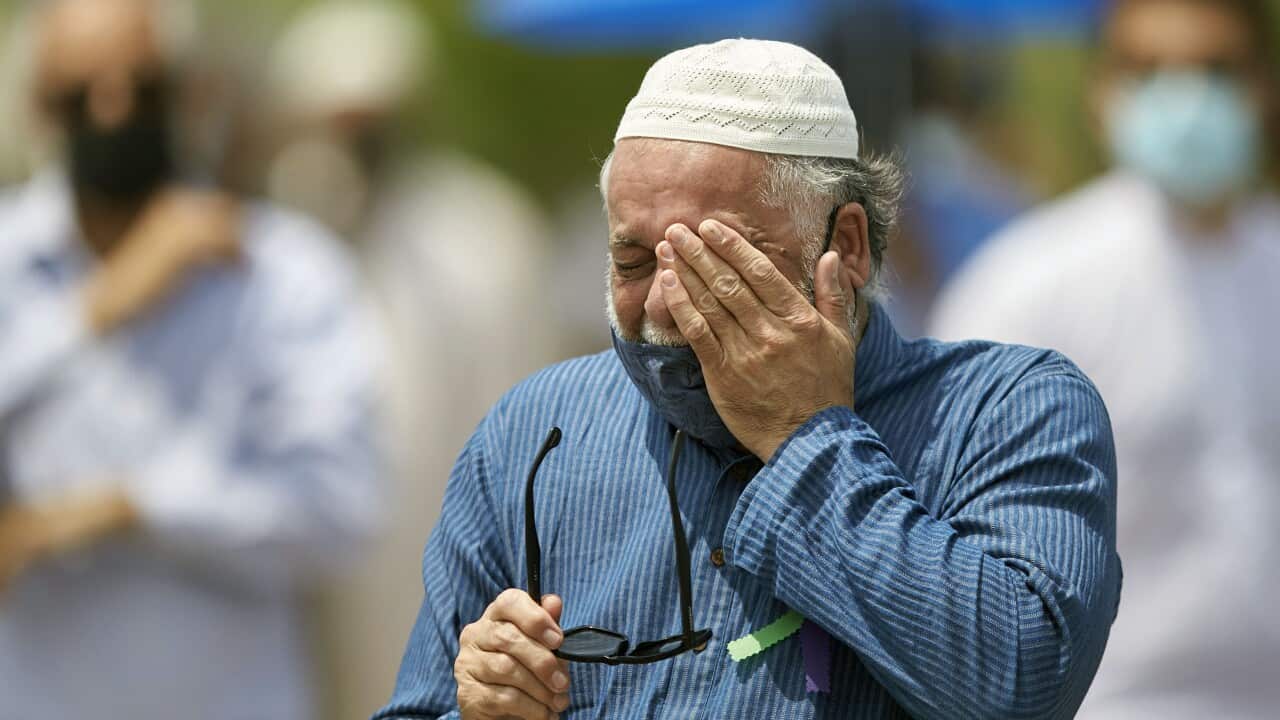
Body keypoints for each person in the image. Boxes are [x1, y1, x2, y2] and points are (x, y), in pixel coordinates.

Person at [375, 39, 1121, 719]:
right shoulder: (537, 432)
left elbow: (1022, 689)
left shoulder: (1009, 410)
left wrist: (806, 439)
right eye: (634, 263)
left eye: (718, 261)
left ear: (848, 245)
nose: (668, 303)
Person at [0, 1, 382, 718]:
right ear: (38, 108)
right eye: (80, 97)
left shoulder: (281, 273)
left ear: (188, 91)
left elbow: (339, 512)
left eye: (140, 90)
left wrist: (132, 508)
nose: (113, 117)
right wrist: (90, 314)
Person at [929, 0, 1280, 717]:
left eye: (1214, 69)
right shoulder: (1026, 287)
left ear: (1264, 85)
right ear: (1102, 93)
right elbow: (945, 532)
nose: (1186, 100)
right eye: (1149, 71)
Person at [262, 3, 559, 716]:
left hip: (468, 561)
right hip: (332, 582)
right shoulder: (290, 237)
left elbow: (535, 412)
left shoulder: (484, 228)